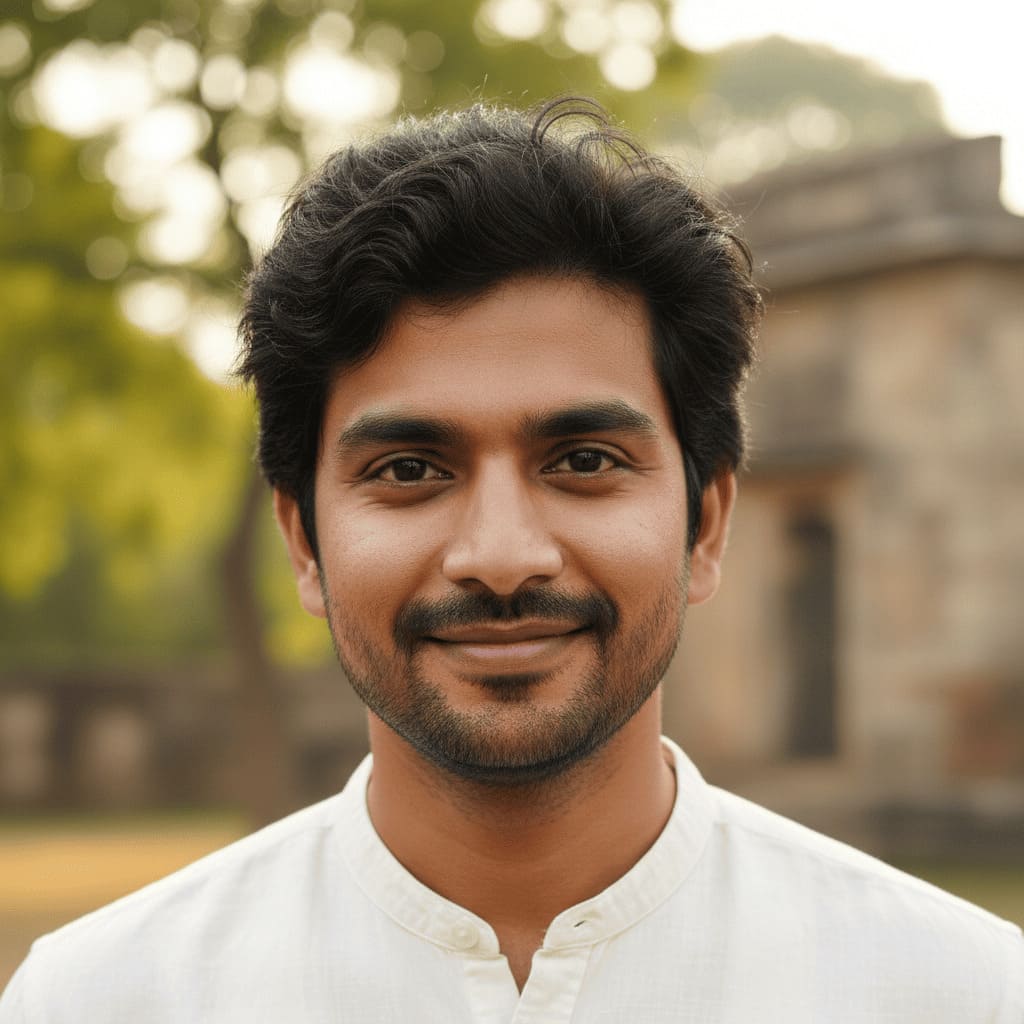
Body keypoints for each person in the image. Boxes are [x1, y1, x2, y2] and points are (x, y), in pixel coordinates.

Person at [2, 97, 1021, 1023]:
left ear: (705, 524)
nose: (499, 556)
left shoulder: (955, 993)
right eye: (408, 468)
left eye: (582, 459)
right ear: (302, 539)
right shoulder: (105, 998)